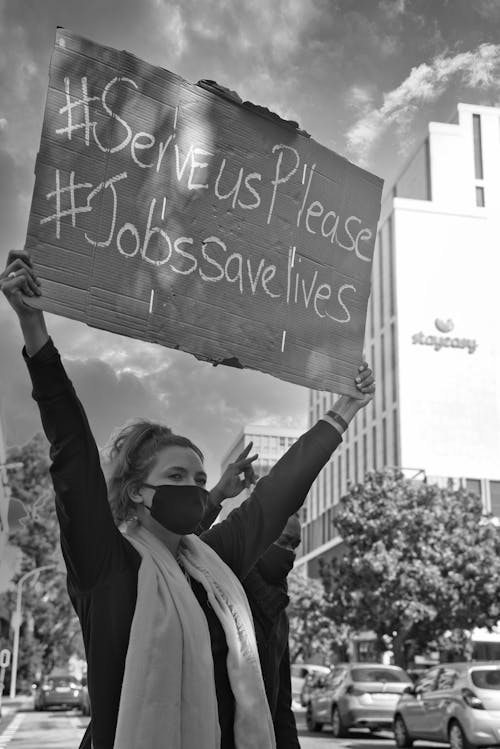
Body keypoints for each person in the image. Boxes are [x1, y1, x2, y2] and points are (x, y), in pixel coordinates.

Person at [0, 249, 375, 749]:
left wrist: (344, 411)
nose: (195, 488)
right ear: (135, 491)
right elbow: (71, 449)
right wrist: (33, 325)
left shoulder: (211, 562)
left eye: (200, 479)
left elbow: (274, 498)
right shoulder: (105, 563)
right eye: (177, 475)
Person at [199, 501, 301, 748]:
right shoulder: (217, 596)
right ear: (261, 539)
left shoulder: (279, 615)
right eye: (283, 541)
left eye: (294, 545)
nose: (289, 553)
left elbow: (281, 707)